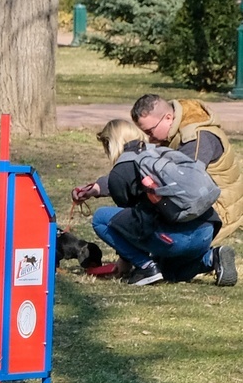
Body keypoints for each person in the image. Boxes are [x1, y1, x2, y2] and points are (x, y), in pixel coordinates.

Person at [72, 118, 236, 287]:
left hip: (175, 239)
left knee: (101, 218)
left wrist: (126, 260)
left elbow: (128, 229)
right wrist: (96, 188)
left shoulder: (120, 172)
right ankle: (212, 257)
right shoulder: (162, 153)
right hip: (206, 230)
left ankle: (146, 267)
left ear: (110, 144)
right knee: (169, 272)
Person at [129, 94, 243, 246]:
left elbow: (189, 189)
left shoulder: (196, 139)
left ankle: (211, 256)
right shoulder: (173, 129)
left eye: (150, 132)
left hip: (219, 212)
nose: (149, 138)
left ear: (168, 117)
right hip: (205, 202)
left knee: (155, 233)